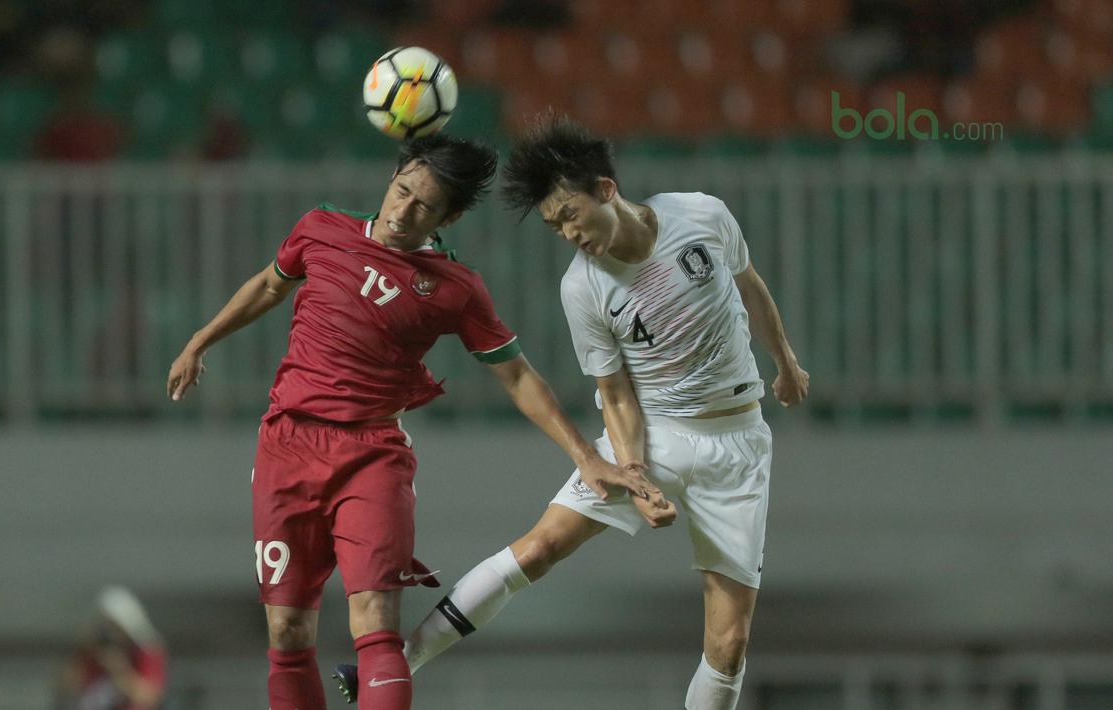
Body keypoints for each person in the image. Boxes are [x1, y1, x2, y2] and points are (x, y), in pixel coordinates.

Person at [165, 133, 672, 710]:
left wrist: (586, 456)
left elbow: (518, 377)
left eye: (423, 205)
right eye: (401, 191)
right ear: (392, 178)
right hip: (287, 445)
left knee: (375, 622)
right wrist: (200, 341)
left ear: (448, 217)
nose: (403, 211)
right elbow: (267, 286)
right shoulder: (321, 228)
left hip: (371, 454)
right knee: (286, 631)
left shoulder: (453, 288)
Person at [334, 113, 810, 710]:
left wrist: (785, 360)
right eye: (554, 226)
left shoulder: (703, 215)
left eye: (569, 215)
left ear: (605, 191)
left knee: (730, 641)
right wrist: (634, 476)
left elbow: (750, 285)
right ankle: (392, 669)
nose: (566, 234)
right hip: (653, 434)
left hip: (738, 443)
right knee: (539, 548)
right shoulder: (582, 287)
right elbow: (615, 395)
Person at [54, 586, 167, 710]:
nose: (111, 633)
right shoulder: (93, 652)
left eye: (115, 627)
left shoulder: (146, 651)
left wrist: (119, 669)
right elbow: (68, 685)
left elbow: (149, 696)